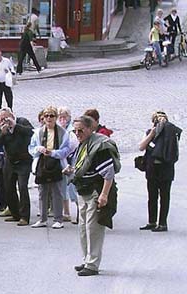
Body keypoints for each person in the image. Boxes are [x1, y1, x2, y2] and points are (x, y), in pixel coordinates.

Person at [65, 116, 119, 276]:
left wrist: (104, 195)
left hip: (95, 191)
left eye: (80, 130)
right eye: (75, 130)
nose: (77, 133)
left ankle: (93, 264)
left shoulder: (100, 147)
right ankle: (86, 259)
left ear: (90, 129)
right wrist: (71, 170)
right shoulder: (83, 144)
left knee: (93, 229)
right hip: (83, 190)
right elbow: (82, 166)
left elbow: (108, 174)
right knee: (83, 228)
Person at [138, 111, 182, 232]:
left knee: (152, 196)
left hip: (152, 168)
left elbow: (141, 147)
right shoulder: (173, 133)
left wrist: (151, 134)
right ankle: (162, 223)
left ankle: (152, 221)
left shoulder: (152, 132)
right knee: (164, 197)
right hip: (167, 168)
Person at [29, 106, 72, 229]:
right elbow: (31, 148)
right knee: (42, 192)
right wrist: (38, 149)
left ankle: (58, 218)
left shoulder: (63, 133)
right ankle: (42, 218)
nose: (49, 118)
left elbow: (66, 150)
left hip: (56, 163)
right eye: (46, 116)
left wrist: (52, 153)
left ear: (56, 118)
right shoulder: (38, 132)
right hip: (42, 163)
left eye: (51, 116)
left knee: (57, 192)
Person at [0, 108, 35, 226]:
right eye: (0, 120)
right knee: (8, 187)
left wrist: (15, 126)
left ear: (11, 116)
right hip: (10, 161)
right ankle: (15, 213)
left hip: (24, 160)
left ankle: (24, 216)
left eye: (5, 119)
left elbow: (31, 132)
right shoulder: (1, 129)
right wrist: (2, 133)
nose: (3, 121)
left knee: (22, 187)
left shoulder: (22, 122)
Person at [57, 106, 80, 223]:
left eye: (64, 117)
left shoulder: (72, 130)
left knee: (72, 187)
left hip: (71, 160)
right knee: (62, 187)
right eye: (60, 117)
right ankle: (66, 212)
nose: (62, 119)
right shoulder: (58, 129)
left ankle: (79, 211)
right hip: (61, 161)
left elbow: (72, 145)